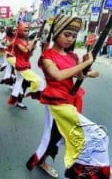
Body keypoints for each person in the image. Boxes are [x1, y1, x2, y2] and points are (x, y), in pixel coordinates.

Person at [26, 14, 110, 178]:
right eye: (67, 34)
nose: (70, 39)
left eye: (73, 36)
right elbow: (57, 75)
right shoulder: (47, 56)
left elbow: (80, 74)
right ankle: (88, 171)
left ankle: (42, 160)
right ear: (57, 32)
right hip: (57, 103)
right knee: (98, 135)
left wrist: (88, 70)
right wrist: (85, 64)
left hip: (70, 99)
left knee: (57, 136)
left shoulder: (72, 56)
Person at [7, 22, 45, 109]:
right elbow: (25, 50)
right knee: (39, 81)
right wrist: (34, 41)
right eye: (25, 30)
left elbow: (30, 52)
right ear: (20, 31)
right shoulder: (17, 41)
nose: (27, 32)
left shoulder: (26, 40)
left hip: (25, 64)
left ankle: (15, 99)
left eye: (28, 30)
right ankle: (33, 93)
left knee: (19, 83)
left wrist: (34, 43)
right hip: (21, 65)